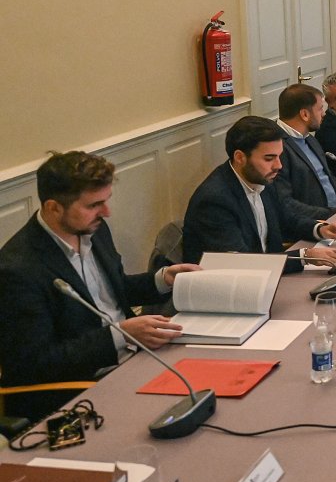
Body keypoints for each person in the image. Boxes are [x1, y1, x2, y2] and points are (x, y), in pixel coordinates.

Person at [0, 152, 202, 421]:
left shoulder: (93, 229)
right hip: (82, 388)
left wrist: (162, 278)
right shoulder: (18, 270)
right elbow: (36, 363)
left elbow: (113, 292)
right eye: (94, 205)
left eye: (105, 201)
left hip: (136, 356)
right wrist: (120, 335)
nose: (106, 213)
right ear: (53, 208)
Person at [182, 116, 336, 274]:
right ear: (240, 157)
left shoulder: (262, 179)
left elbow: (287, 219)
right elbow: (239, 263)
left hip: (265, 279)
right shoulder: (214, 201)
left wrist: (320, 229)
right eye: (269, 158)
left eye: (279, 156)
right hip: (227, 291)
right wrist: (305, 256)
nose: (278, 166)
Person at [275, 83, 336, 221]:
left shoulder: (309, 138)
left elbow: (328, 175)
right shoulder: (276, 147)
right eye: (320, 109)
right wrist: (331, 213)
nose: (324, 114)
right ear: (305, 114)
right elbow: (285, 203)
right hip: (316, 224)